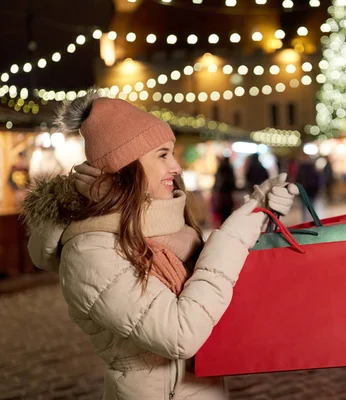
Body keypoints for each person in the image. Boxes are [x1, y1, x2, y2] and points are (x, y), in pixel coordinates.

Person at [21, 90, 298, 400]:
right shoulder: (90, 251)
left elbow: (210, 293)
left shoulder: (169, 231)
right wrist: (234, 235)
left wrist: (258, 211)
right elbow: (181, 333)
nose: (176, 167)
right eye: (163, 154)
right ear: (126, 165)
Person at [211, 156, 237, 228]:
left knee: (222, 212)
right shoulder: (229, 169)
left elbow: (218, 182)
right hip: (228, 195)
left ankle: (223, 226)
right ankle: (227, 226)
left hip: (222, 194)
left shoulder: (221, 169)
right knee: (228, 212)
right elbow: (233, 182)